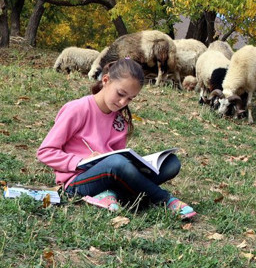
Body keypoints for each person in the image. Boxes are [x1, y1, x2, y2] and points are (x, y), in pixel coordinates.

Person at [37, 58, 196, 219]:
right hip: (76, 182)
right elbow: (45, 152)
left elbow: (120, 156)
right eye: (120, 94)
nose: (122, 102)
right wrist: (80, 161)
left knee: (171, 163)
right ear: (105, 80)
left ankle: (109, 195)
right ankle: (164, 200)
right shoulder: (77, 109)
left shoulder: (120, 120)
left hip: (112, 176)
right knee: (117, 163)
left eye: (130, 99)